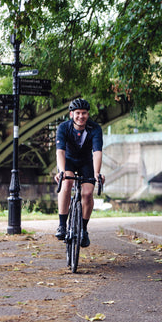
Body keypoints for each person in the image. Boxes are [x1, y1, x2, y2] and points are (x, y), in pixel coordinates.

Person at [54, 98, 105, 248]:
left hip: (86, 162)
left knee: (88, 193)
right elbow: (60, 152)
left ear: (88, 114)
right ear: (71, 114)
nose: (80, 116)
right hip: (68, 161)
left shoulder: (95, 128)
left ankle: (83, 229)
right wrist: (62, 171)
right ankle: (62, 225)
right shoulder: (63, 128)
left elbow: (97, 152)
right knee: (67, 182)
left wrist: (97, 173)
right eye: (77, 113)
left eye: (84, 113)